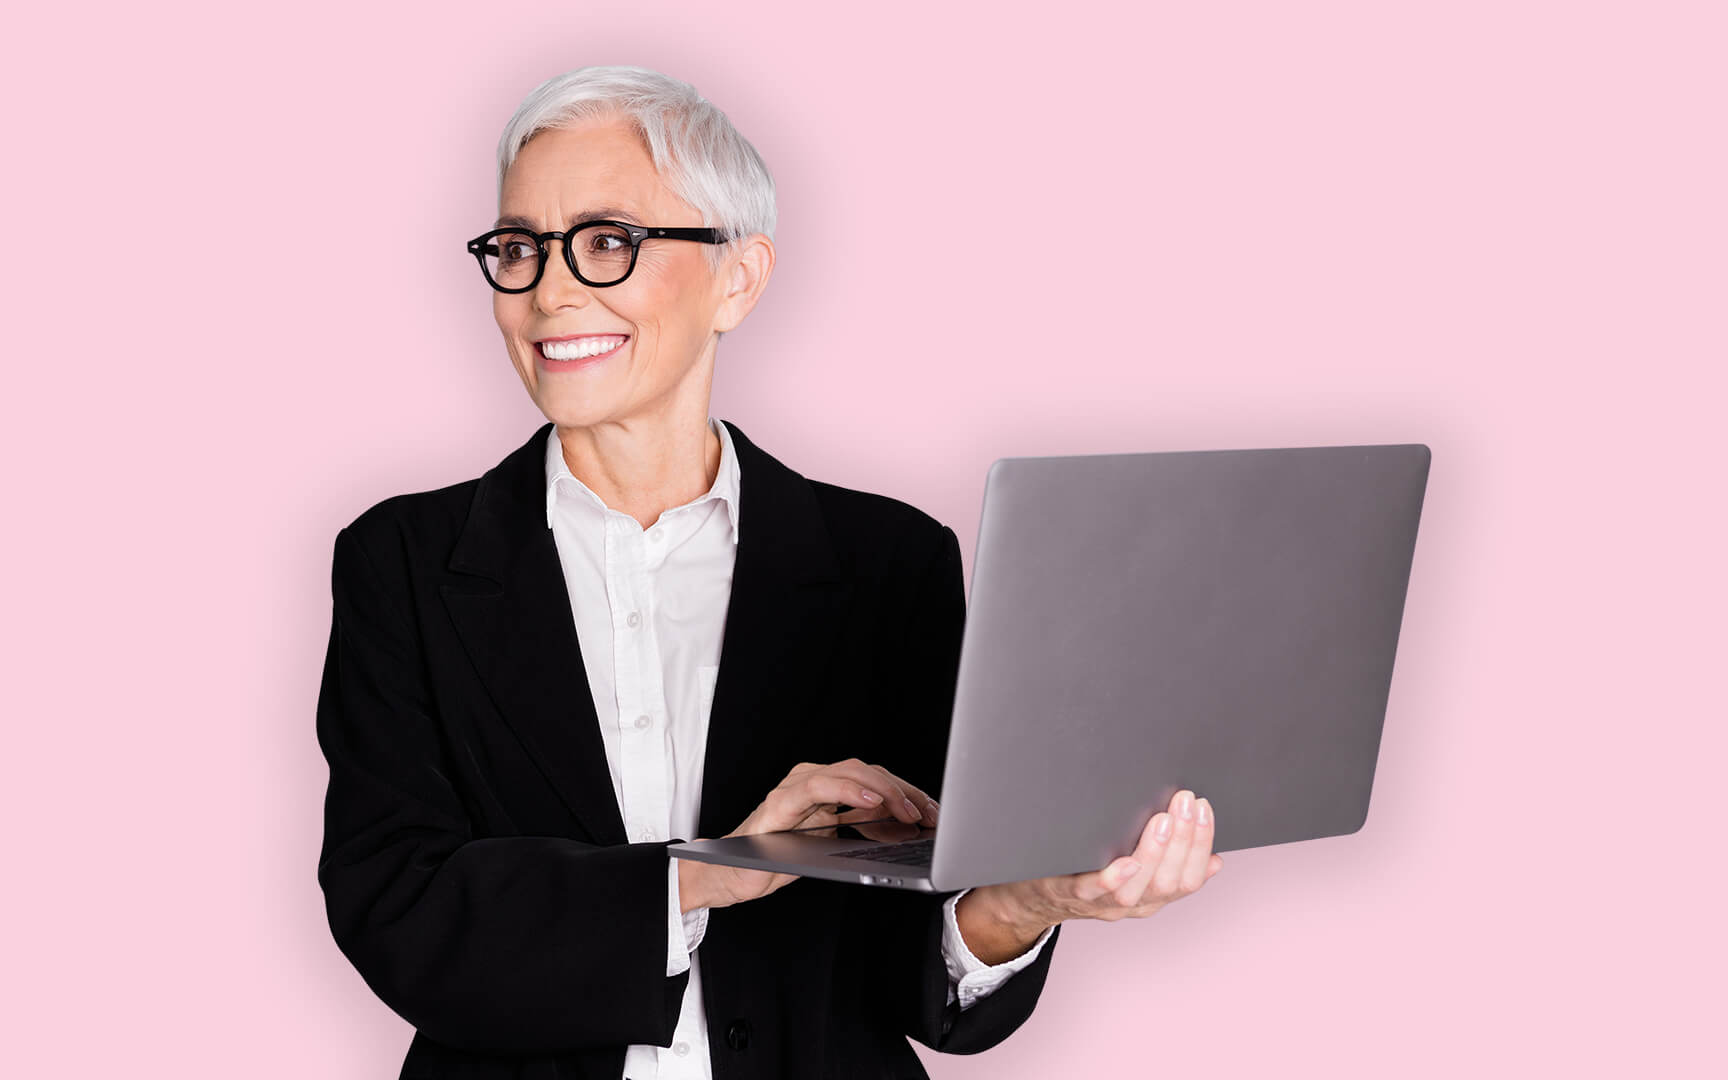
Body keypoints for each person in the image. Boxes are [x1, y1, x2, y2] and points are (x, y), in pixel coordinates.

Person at [315, 64, 1223, 1080]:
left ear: (738, 279)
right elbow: (397, 908)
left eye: (608, 241)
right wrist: (708, 876)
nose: (548, 291)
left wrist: (1031, 900)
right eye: (519, 247)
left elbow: (918, 974)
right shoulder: (401, 561)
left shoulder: (890, 566)